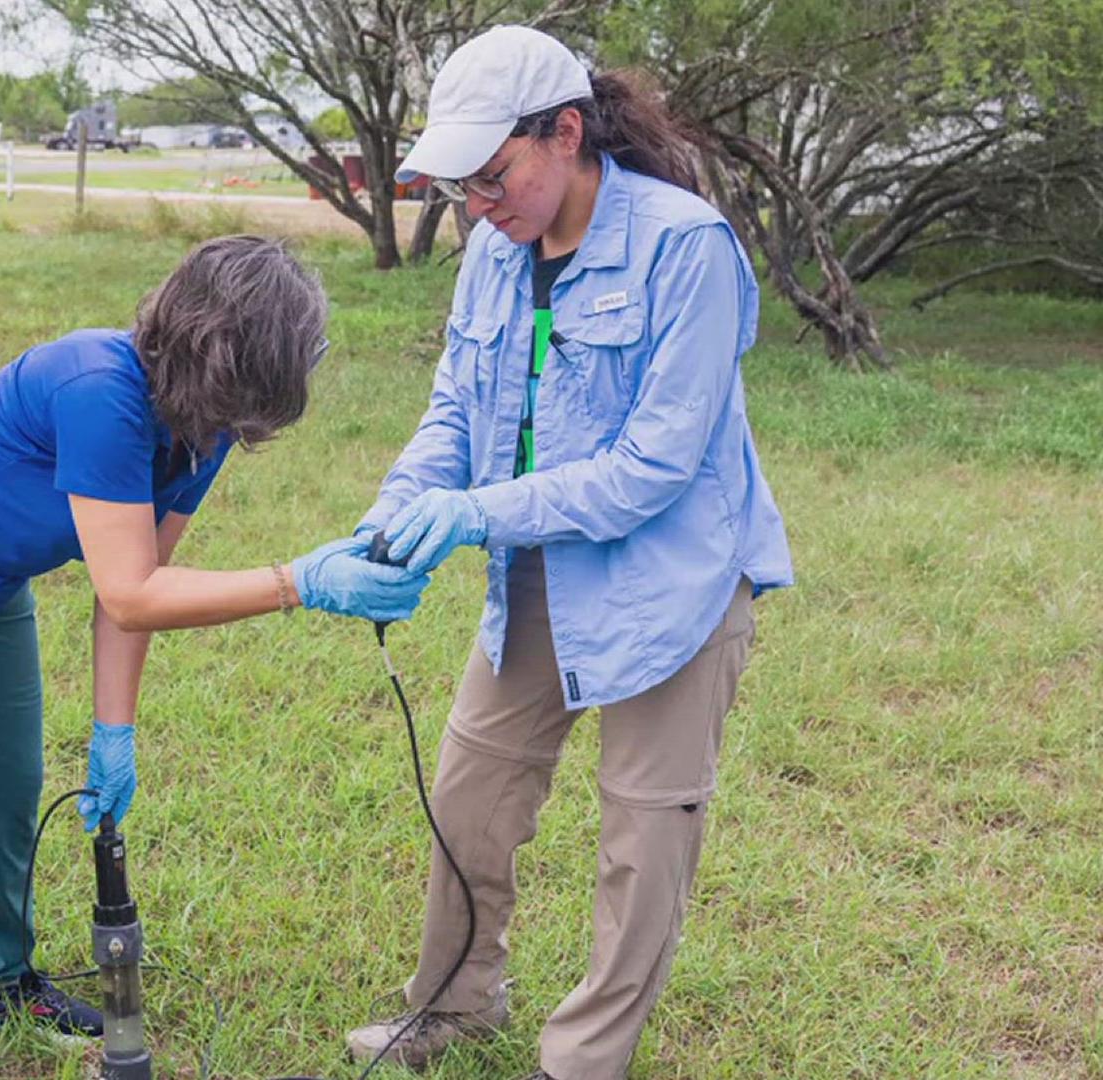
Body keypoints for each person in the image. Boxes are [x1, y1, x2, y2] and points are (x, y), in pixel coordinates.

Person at [0, 235, 428, 1080]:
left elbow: (128, 595)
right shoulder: (99, 387)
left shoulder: (205, 429)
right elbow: (133, 592)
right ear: (219, 350)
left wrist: (113, 731)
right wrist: (298, 582)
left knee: (9, 786)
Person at [336, 26, 794, 1080]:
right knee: (471, 791)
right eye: (461, 189)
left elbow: (652, 469)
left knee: (644, 836)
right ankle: (453, 1007)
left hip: (675, 582)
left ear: (567, 135)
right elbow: (454, 407)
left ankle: (582, 1059)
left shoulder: (688, 249)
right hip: (539, 570)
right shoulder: (494, 256)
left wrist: (476, 513)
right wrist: (403, 506)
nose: (480, 207)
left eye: (494, 177)